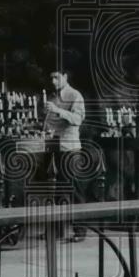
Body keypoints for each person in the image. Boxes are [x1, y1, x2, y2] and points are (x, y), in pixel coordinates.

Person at [42, 70, 87, 240]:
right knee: (59, 191)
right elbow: (49, 122)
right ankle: (58, 231)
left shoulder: (75, 95)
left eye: (57, 77)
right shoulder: (53, 96)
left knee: (74, 190)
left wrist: (57, 110)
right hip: (54, 147)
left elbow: (77, 119)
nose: (53, 81)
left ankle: (80, 231)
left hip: (70, 148)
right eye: (51, 78)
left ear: (66, 77)